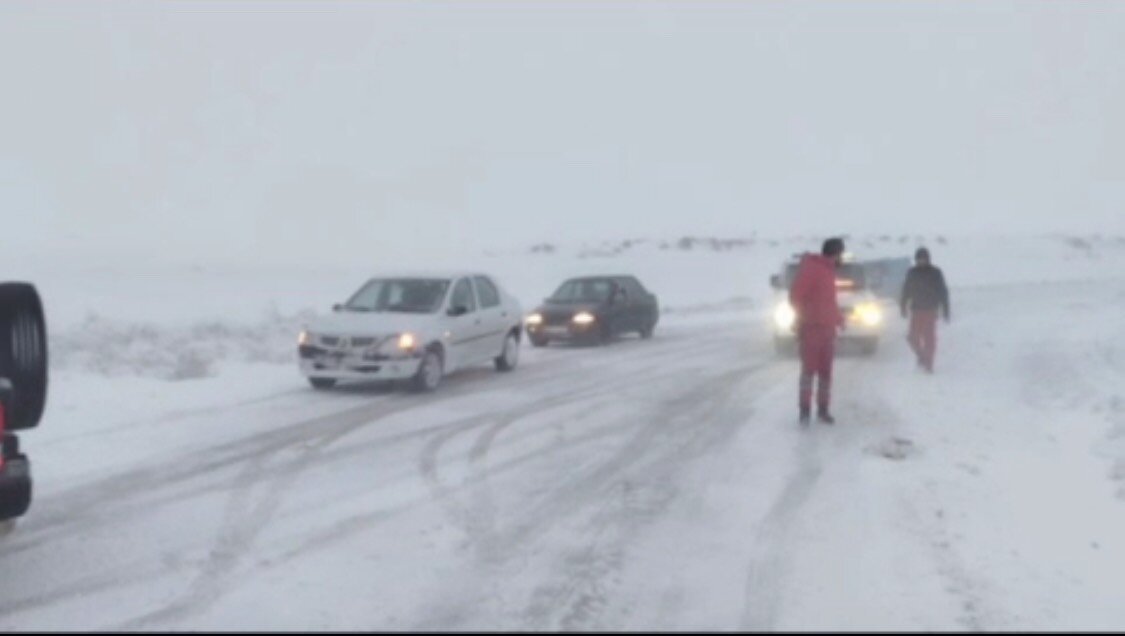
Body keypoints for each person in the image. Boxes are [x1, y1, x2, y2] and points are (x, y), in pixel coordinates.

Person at [789, 237, 846, 425]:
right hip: (812, 330)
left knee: (825, 374)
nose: (842, 258)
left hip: (827, 331)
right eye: (840, 254)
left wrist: (838, 319)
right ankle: (804, 412)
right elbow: (795, 295)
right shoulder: (813, 268)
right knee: (808, 373)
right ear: (834, 253)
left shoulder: (829, 271)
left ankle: (823, 410)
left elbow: (828, 302)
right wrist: (804, 317)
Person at [900, 247, 950, 373]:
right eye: (919, 259)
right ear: (916, 260)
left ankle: (929, 364)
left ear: (928, 259)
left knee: (929, 339)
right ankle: (922, 356)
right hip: (916, 310)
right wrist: (903, 307)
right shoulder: (912, 272)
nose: (921, 261)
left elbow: (943, 291)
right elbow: (905, 290)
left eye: (924, 259)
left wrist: (946, 309)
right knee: (912, 338)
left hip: (931, 310)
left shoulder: (936, 273)